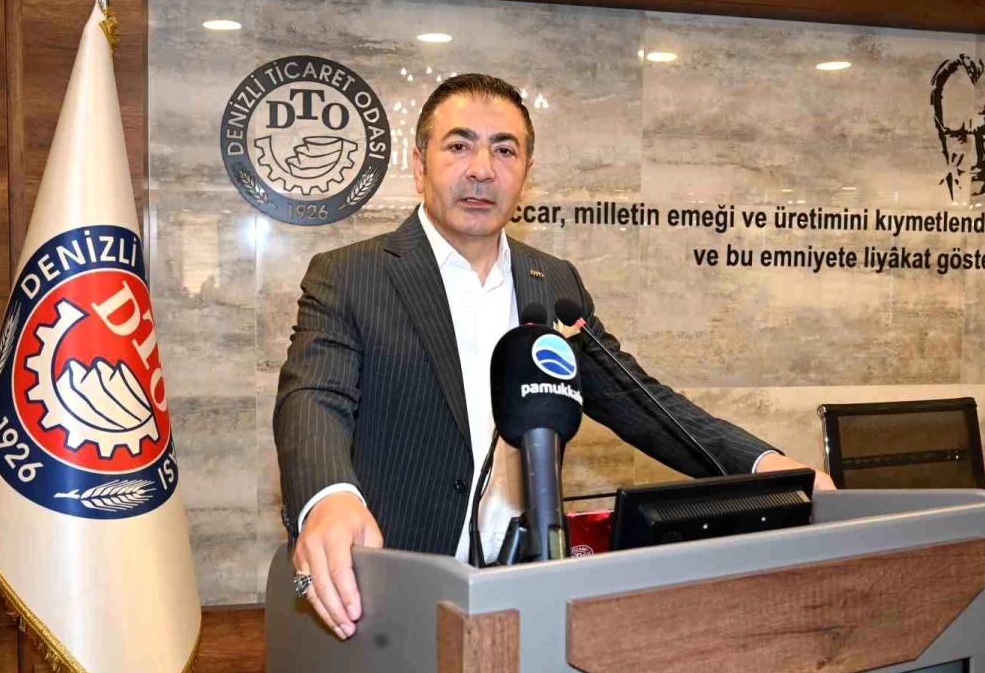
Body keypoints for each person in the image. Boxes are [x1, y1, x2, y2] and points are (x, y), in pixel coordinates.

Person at [274, 74, 833, 640]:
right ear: (419, 166)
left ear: (526, 174)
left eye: (504, 151)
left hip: (527, 593)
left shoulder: (553, 282)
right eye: (459, 145)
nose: (482, 170)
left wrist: (761, 465)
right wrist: (329, 499)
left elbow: (639, 400)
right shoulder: (350, 274)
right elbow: (313, 399)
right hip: (380, 594)